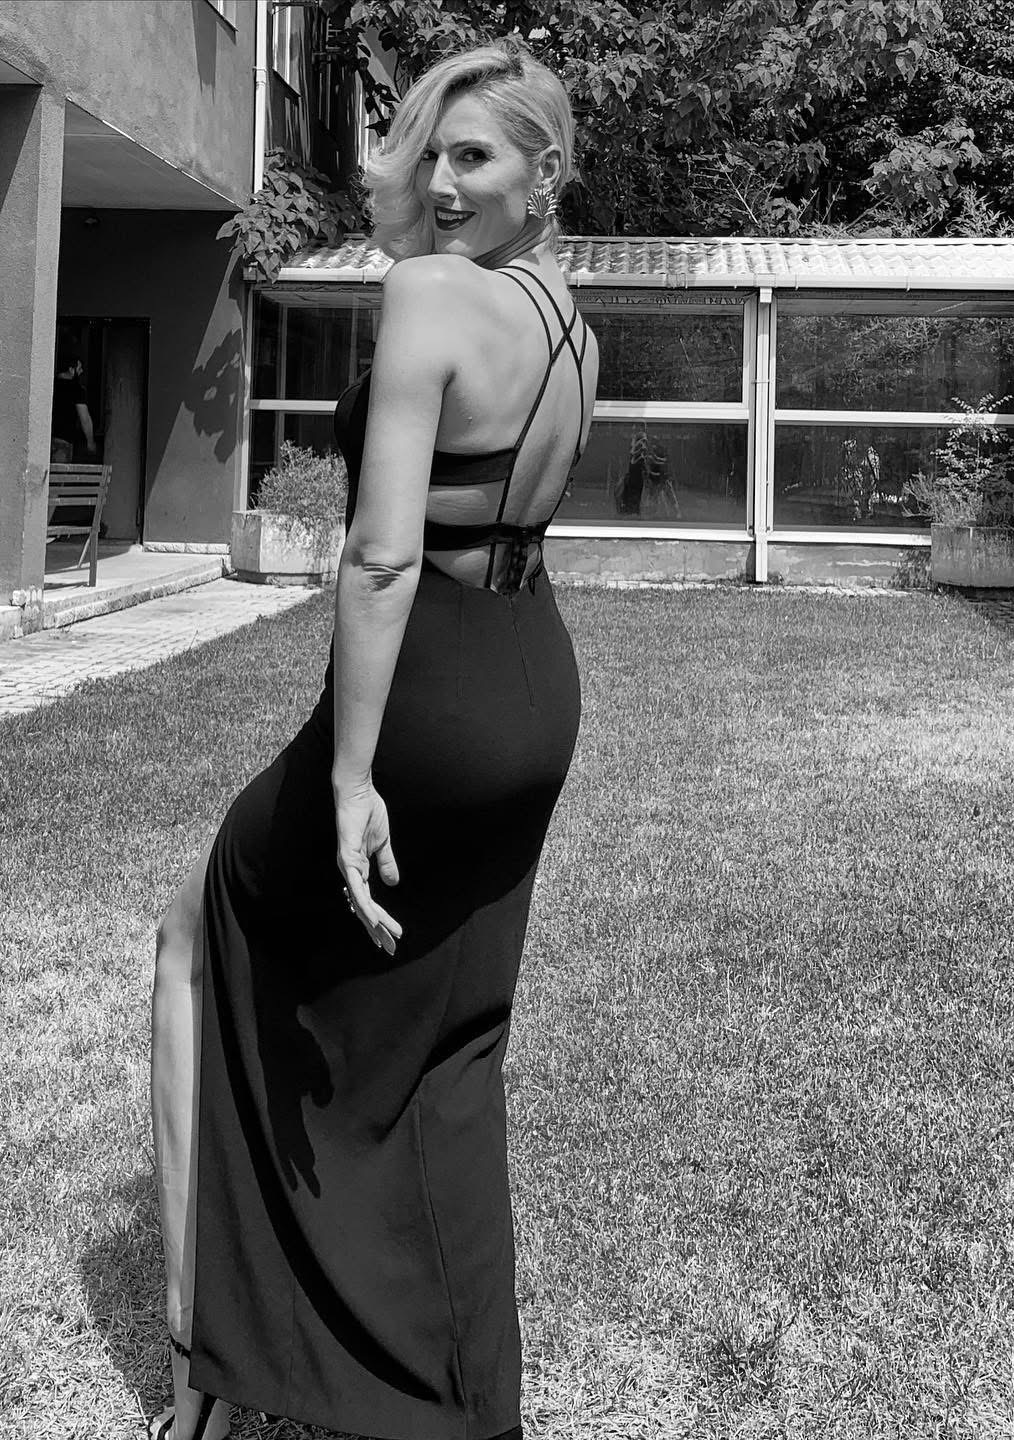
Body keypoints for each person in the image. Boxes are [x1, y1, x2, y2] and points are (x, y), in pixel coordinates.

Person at [148, 40, 597, 1440]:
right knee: (447, 1047)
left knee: (201, 928)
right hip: (531, 686)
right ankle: (462, 1400)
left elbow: (384, 555)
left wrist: (350, 776)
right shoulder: (570, 320)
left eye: (476, 156)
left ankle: (203, 1366)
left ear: (544, 173)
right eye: (430, 153)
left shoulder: (429, 295)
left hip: (428, 700)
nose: (441, 182)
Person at [51, 349, 96, 463]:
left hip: (45, 439)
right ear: (71, 370)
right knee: (60, 473)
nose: (81, 371)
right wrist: (90, 442)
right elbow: (85, 418)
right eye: (79, 368)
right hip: (63, 441)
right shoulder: (77, 389)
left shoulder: (51, 384)